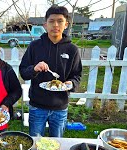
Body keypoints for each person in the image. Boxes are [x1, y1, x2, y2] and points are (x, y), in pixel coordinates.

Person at [19, 5, 82, 137]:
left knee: (56, 143)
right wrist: (34, 69)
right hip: (37, 106)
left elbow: (77, 75)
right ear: (45, 24)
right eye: (51, 21)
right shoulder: (35, 46)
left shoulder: (72, 49)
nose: (55, 25)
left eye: (60, 21)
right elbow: (23, 71)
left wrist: (71, 84)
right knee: (36, 142)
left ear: (66, 24)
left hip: (60, 107)